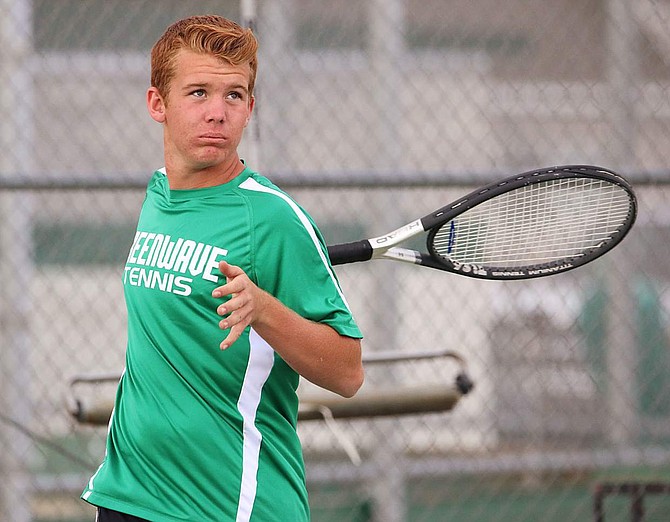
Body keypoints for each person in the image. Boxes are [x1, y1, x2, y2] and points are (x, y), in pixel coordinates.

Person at [81, 14, 364, 522]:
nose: (218, 112)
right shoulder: (158, 193)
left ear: (250, 108)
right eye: (198, 93)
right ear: (157, 104)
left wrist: (265, 309)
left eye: (234, 95)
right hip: (127, 494)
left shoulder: (272, 219)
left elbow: (347, 372)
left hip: (229, 505)